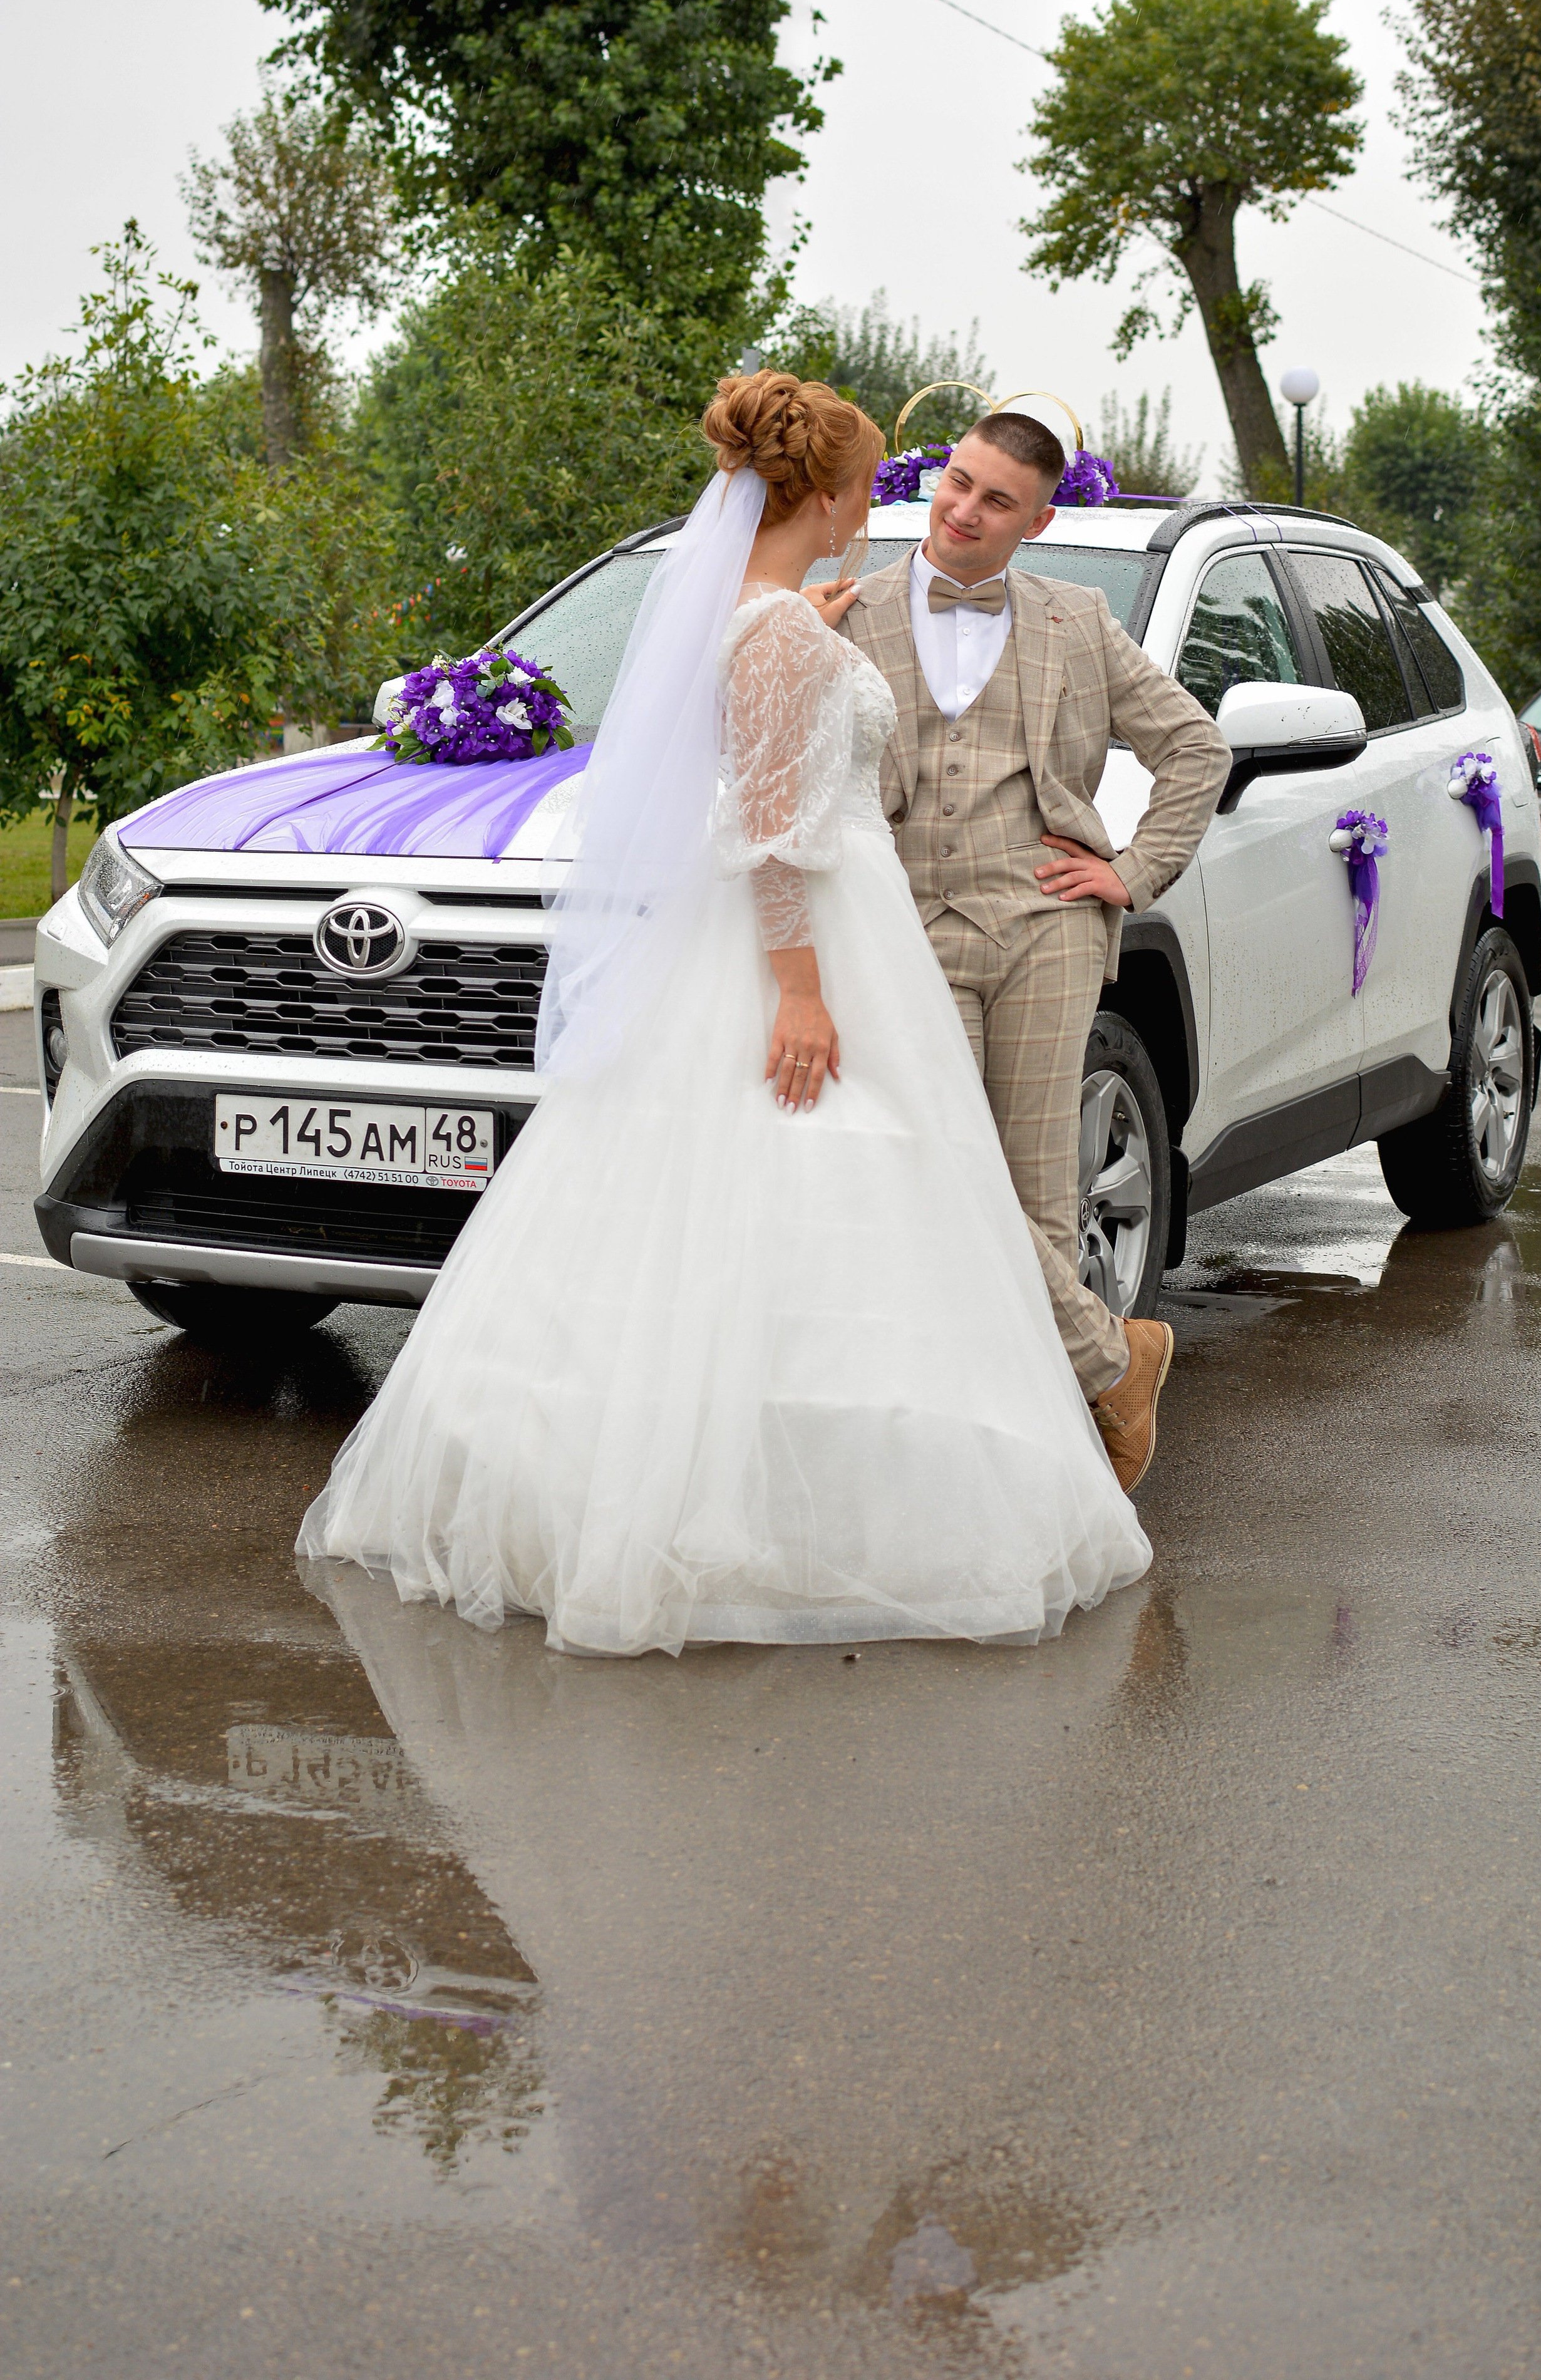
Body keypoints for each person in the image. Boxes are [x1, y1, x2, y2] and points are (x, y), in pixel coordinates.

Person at [297, 373, 1152, 1655]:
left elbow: (760, 746)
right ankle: (790, 1517)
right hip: (808, 938)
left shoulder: (756, 616)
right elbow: (766, 826)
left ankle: (751, 1474)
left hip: (806, 922)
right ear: (816, 497)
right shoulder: (778, 634)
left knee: (756, 1217)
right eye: (867, 487)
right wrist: (800, 990)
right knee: (833, 1197)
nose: (881, 508)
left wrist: (803, 637)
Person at [843, 414, 1230, 1490]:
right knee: (941, 1178)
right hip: (903, 926)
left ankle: (1039, 1451)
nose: (963, 512)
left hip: (1048, 924)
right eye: (957, 485)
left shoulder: (1078, 618)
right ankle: (1119, 1357)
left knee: (1037, 1192)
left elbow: (1196, 747)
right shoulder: (850, 610)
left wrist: (1134, 873)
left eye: (995, 502)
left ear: (1039, 519)